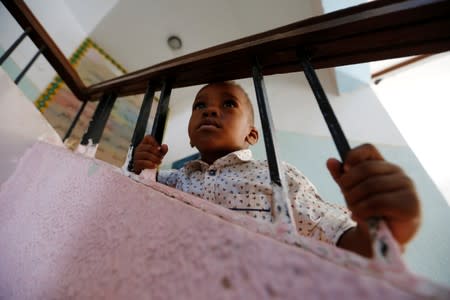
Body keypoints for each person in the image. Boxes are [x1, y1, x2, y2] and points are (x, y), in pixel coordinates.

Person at [133, 81, 421, 258]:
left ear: (251, 136)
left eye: (228, 104)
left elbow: (337, 238)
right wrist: (140, 166)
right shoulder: (172, 179)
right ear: (190, 137)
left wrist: (384, 228)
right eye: (199, 105)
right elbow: (131, 199)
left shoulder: (278, 177)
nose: (209, 111)